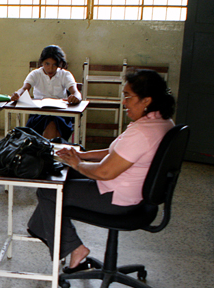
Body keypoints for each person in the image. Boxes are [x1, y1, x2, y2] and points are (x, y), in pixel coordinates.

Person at [26, 69, 175, 273]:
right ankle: (40, 228)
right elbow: (115, 152)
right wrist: (81, 155)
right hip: (135, 192)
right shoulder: (161, 122)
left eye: (128, 96)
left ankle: (73, 247)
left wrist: (77, 164)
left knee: (49, 191)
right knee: (62, 173)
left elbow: (105, 173)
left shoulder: (142, 132)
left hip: (116, 198)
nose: (124, 102)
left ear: (146, 100)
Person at [11, 45, 82, 140]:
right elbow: (24, 89)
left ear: (59, 64)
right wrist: (17, 94)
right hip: (39, 113)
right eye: (47, 64)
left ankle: (44, 149)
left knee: (52, 121)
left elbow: (76, 93)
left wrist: (76, 97)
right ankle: (51, 148)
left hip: (61, 114)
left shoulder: (65, 74)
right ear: (41, 63)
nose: (50, 68)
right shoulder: (35, 74)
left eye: (54, 64)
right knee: (50, 123)